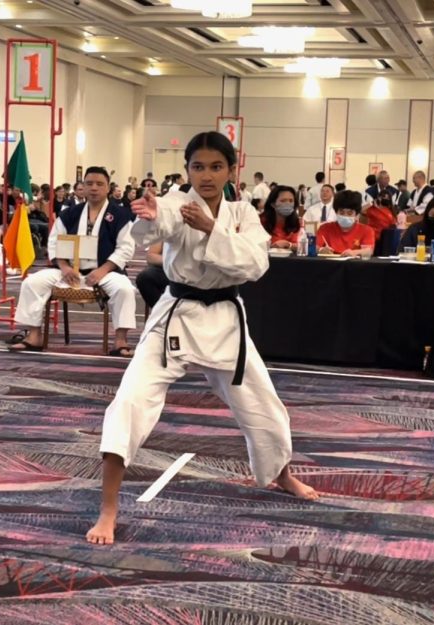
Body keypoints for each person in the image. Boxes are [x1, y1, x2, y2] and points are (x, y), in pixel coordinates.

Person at [87, 131, 317, 546]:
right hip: (178, 315)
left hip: (227, 319)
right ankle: (108, 509)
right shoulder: (176, 203)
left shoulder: (244, 213)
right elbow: (154, 229)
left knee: (263, 405)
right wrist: (149, 216)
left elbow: (255, 265)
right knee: (130, 403)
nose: (206, 175)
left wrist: (213, 229)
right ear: (187, 169)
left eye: (216, 166)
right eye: (198, 166)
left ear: (232, 170)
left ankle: (282, 474)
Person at [8, 166, 137, 357]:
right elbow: (54, 242)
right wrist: (65, 267)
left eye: (99, 184)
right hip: (69, 271)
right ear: (82, 187)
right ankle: (34, 335)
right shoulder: (70, 213)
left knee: (125, 289)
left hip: (105, 271)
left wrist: (103, 270)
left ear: (108, 188)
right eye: (89, 183)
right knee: (32, 282)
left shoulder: (120, 215)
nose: (94, 188)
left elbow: (125, 248)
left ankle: (120, 341)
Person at [316, 190, 376, 257]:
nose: (345, 216)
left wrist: (354, 252)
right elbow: (315, 247)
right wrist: (321, 250)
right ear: (336, 212)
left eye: (350, 213)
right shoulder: (325, 228)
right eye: (341, 212)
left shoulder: (367, 230)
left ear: (356, 214)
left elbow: (369, 251)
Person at [260, 185, 302, 252]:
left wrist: (289, 245)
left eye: (291, 201)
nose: (288, 204)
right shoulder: (261, 222)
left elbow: (303, 246)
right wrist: (271, 247)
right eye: (283, 201)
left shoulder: (298, 223)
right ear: (273, 204)